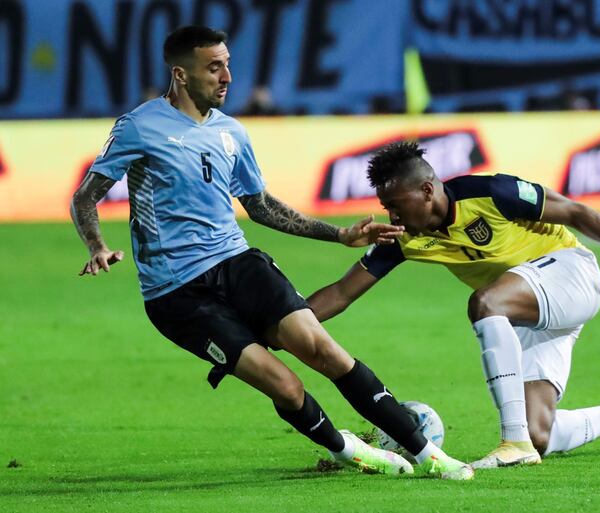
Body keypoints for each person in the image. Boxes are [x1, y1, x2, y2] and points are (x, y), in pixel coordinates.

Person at [70, 26, 473, 480]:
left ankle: (430, 457)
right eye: (214, 67)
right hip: (176, 292)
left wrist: (339, 235)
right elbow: (85, 196)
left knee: (325, 351)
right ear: (181, 74)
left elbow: (260, 207)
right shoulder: (139, 127)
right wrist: (97, 245)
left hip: (238, 263)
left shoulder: (231, 133)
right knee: (285, 385)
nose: (227, 77)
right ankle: (346, 450)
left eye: (227, 65)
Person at [307, 141, 600, 469]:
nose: (390, 213)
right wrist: (281, 323)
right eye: (384, 204)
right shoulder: (402, 237)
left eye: (396, 202)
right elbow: (342, 293)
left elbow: (577, 212)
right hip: (526, 314)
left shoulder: (492, 193)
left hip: (571, 275)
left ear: (427, 190)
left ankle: (512, 443)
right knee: (541, 433)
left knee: (484, 302)